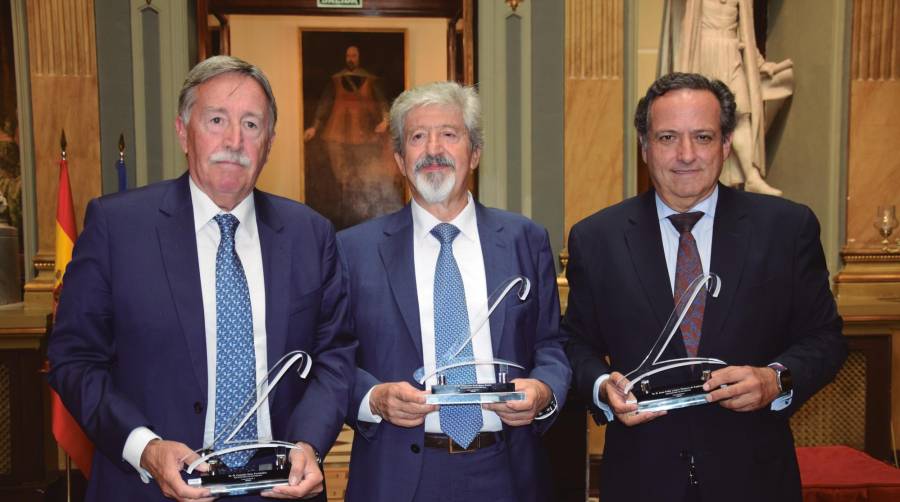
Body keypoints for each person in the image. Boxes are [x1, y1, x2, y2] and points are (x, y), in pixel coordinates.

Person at [47, 55, 356, 501]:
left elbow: (334, 356)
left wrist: (307, 443)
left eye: (252, 125)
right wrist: (146, 448)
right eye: (216, 120)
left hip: (279, 489)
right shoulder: (117, 227)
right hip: (151, 488)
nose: (234, 140)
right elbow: (74, 359)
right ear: (182, 131)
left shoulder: (312, 234)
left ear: (269, 141)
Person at [563, 72, 846, 501]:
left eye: (702, 137)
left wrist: (776, 379)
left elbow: (824, 339)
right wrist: (603, 386)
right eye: (667, 138)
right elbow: (574, 342)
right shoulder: (596, 238)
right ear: (643, 146)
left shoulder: (786, 229)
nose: (685, 155)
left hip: (755, 478)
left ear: (727, 143)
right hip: (641, 478)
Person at [338, 81, 571, 502]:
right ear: (398, 159)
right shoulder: (353, 250)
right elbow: (333, 359)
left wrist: (542, 390)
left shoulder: (525, 239)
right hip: (396, 475)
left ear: (475, 153)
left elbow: (551, 345)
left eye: (449, 134)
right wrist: (374, 398)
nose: (433, 149)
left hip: (507, 471)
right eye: (417, 137)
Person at [660, 0, 794, 196]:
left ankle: (751, 176)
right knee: (701, 119)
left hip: (731, 52)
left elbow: (745, 33)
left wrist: (758, 63)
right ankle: (699, 175)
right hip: (704, 52)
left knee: (741, 113)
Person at [303, 45, 393, 229]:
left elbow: (382, 101)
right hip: (337, 134)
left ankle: (362, 217)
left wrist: (385, 120)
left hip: (365, 136)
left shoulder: (370, 80)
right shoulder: (335, 80)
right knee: (341, 178)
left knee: (363, 177)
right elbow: (325, 104)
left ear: (359, 57)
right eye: (348, 55)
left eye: (354, 55)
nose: (351, 58)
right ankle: (343, 216)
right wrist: (314, 127)